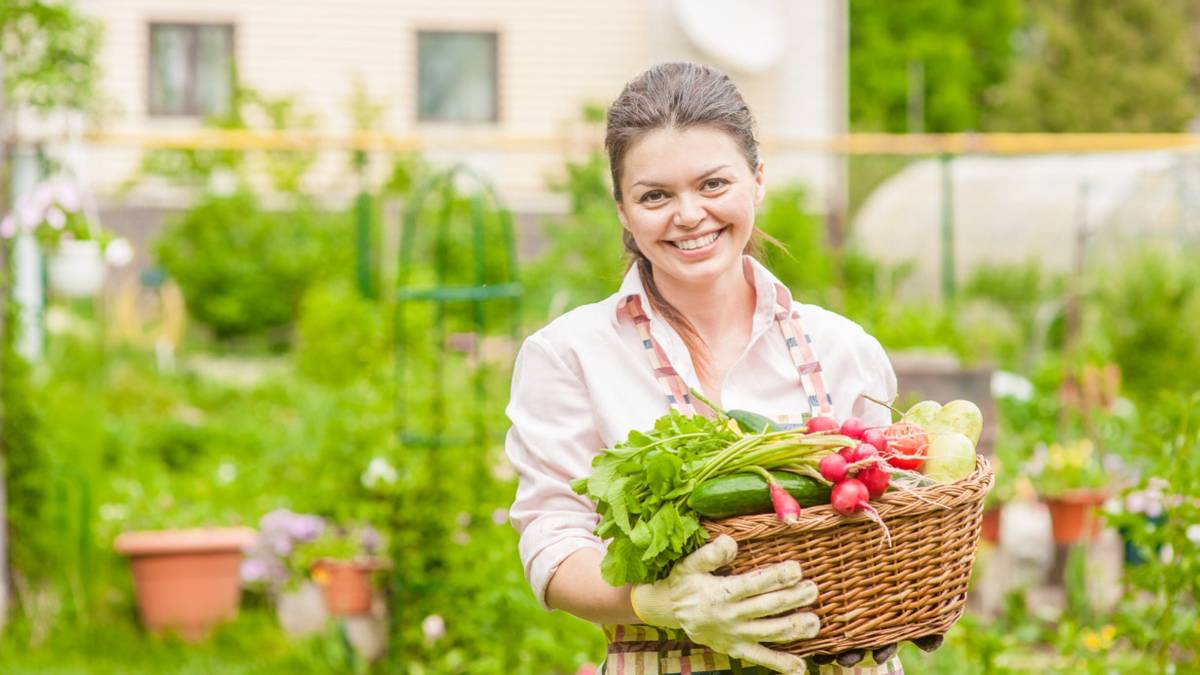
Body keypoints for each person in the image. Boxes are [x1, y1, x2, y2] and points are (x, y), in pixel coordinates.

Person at [505, 62, 902, 674]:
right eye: (655, 196)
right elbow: (553, 545)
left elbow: (899, 518)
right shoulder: (569, 355)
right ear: (622, 210)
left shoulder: (843, 348)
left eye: (713, 184)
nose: (688, 215)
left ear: (758, 181)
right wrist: (655, 601)